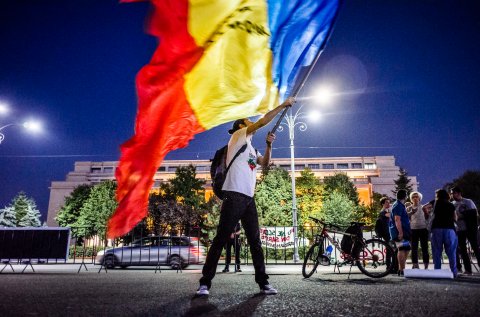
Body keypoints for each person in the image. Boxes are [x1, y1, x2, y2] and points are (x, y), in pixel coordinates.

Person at [196, 97, 295, 296]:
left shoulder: (252, 148)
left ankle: (263, 283)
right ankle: (205, 283)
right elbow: (262, 121)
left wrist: (268, 145)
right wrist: (283, 105)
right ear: (241, 125)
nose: (252, 122)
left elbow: (265, 163)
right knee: (220, 239)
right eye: (248, 120)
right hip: (234, 195)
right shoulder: (238, 136)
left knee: (255, 242)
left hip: (249, 198)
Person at [423, 189, 458, 276]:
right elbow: (455, 218)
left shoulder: (435, 202)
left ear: (437, 195)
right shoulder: (451, 205)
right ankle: (454, 272)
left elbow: (424, 207)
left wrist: (427, 214)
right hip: (450, 229)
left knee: (437, 251)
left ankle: (437, 272)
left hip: (436, 229)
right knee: (451, 252)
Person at [451, 186, 480, 275]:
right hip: (459, 229)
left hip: (469, 228)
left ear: (458, 193)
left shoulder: (468, 201)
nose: (452, 195)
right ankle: (468, 269)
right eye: (451, 193)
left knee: (475, 247)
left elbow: (474, 214)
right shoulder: (452, 203)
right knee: (463, 249)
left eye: (453, 193)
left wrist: (461, 216)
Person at [389, 189, 411, 276]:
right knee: (402, 249)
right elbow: (397, 219)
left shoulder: (400, 205)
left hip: (404, 230)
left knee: (406, 248)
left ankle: (401, 268)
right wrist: (400, 232)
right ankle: (401, 269)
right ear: (405, 196)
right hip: (399, 231)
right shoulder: (398, 205)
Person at [407, 191, 429, 269]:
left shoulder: (423, 207)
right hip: (413, 229)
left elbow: (427, 218)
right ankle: (415, 264)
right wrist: (410, 213)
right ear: (411, 199)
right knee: (414, 248)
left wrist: (426, 212)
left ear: (419, 198)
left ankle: (426, 265)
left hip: (423, 229)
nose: (415, 198)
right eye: (413, 197)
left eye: (416, 196)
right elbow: (407, 219)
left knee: (424, 248)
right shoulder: (409, 208)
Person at [375, 196, 396, 272]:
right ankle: (389, 266)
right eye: (386, 202)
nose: (388, 203)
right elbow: (391, 215)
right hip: (386, 233)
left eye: (389, 202)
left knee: (390, 249)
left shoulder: (386, 211)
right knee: (390, 249)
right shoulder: (383, 212)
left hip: (388, 232)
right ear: (383, 203)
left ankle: (390, 266)